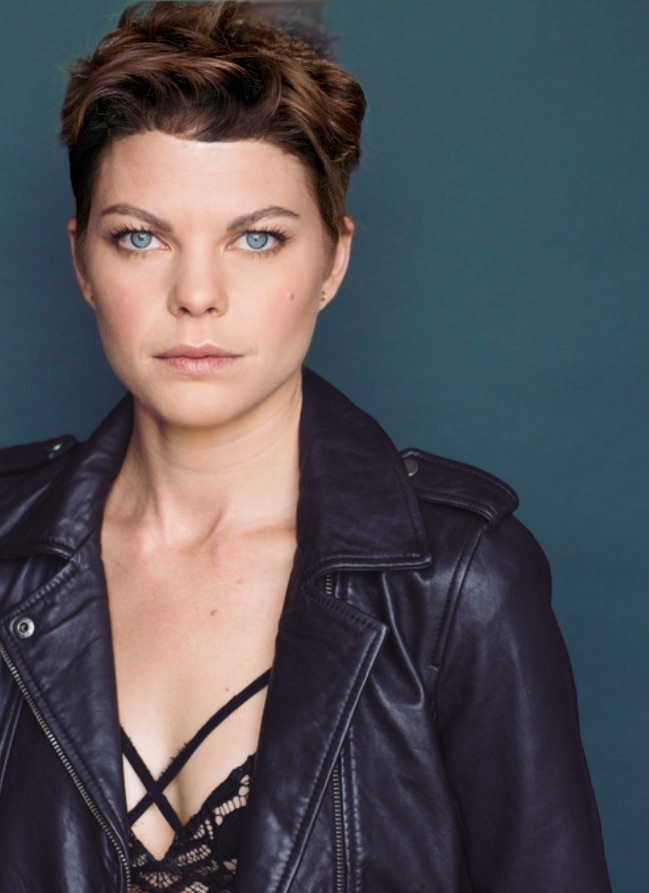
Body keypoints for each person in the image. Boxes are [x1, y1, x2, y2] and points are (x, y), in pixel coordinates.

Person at [0, 2, 612, 892]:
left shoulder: (455, 584)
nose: (196, 294)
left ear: (332, 261)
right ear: (83, 263)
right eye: (140, 237)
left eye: (257, 238)